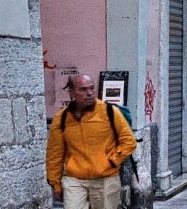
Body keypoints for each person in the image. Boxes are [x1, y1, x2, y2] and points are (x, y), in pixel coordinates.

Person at [45, 73, 137, 209]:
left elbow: (129, 141)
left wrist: (111, 161)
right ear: (72, 93)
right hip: (75, 180)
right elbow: (54, 154)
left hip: (105, 179)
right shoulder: (62, 118)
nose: (89, 93)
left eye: (91, 88)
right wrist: (55, 183)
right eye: (83, 89)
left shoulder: (109, 112)